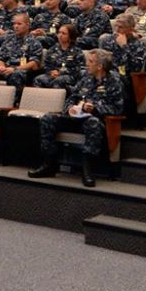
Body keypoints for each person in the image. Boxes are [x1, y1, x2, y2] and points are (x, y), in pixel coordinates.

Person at [27, 48, 125, 187]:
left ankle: (87, 169)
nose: (87, 64)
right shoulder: (86, 78)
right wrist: (71, 108)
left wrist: (95, 108)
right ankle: (49, 164)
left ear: (100, 66)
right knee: (48, 119)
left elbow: (117, 108)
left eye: (90, 61)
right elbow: (72, 98)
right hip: (75, 117)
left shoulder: (114, 81)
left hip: (96, 120)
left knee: (93, 123)